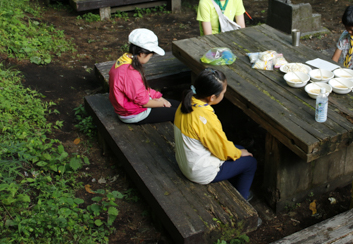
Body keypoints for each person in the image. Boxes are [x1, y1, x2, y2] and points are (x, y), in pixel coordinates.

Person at [174, 69, 257, 200]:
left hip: (186, 162)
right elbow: (222, 150)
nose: (224, 95)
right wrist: (239, 153)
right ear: (212, 97)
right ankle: (242, 199)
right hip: (199, 172)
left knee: (239, 149)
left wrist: (238, 151)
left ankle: (234, 179)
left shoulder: (186, 103)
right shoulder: (205, 118)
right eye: (223, 93)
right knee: (250, 162)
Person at [109, 28, 179, 124]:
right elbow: (144, 102)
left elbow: (142, 90)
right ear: (142, 54)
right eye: (150, 56)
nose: (149, 59)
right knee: (179, 113)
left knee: (178, 105)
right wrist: (162, 103)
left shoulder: (124, 60)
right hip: (133, 114)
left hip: (131, 106)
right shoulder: (130, 73)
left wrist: (158, 97)